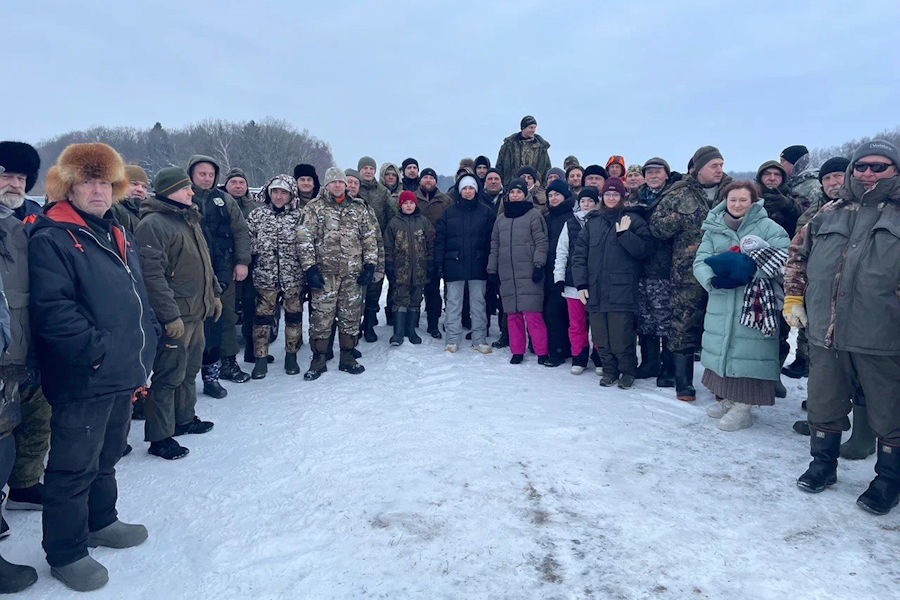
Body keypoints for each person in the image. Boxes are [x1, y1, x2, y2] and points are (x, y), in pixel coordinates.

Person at [30, 143, 158, 591]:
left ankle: (101, 521)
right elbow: (54, 312)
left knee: (107, 457)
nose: (98, 191)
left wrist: (147, 345)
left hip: (122, 372)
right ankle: (65, 552)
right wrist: (99, 351)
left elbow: (135, 298)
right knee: (72, 468)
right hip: (86, 376)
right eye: (87, 181)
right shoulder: (53, 236)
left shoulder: (114, 231)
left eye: (105, 182)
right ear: (69, 187)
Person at [786, 140, 900, 515]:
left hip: (882, 333)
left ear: (894, 170)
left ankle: (887, 482)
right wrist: (794, 298)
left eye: (879, 167)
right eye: (861, 166)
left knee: (890, 412)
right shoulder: (827, 213)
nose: (868, 173)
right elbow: (797, 257)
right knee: (823, 401)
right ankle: (822, 466)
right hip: (826, 331)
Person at [136, 167, 219, 461]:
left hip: (196, 311)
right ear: (169, 190)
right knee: (169, 375)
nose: (192, 191)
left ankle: (185, 419)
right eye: (186, 188)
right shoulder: (154, 224)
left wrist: (214, 295)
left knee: (189, 371)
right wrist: (169, 316)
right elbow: (152, 276)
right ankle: (160, 436)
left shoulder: (187, 218)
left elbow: (203, 262)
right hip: (177, 315)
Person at [693, 181, 790, 430]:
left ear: (753, 201)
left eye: (743, 200)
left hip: (756, 300)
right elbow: (700, 261)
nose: (737, 205)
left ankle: (744, 407)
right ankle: (729, 398)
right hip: (722, 298)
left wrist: (748, 270)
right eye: (732, 200)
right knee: (723, 348)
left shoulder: (769, 228)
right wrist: (712, 280)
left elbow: (784, 260)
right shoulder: (714, 228)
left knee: (749, 352)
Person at [649, 146, 732, 401]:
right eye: (713, 165)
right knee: (683, 324)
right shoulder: (679, 193)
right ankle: (683, 382)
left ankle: (721, 384)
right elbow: (656, 227)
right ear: (698, 169)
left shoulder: (732, 192)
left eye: (721, 164)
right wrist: (679, 219)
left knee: (720, 327)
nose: (719, 169)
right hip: (687, 274)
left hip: (723, 271)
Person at [0, 142, 51, 514]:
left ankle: (24, 486)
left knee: (37, 417)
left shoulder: (24, 224)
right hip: (4, 349)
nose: (14, 184)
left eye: (21, 177)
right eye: (6, 175)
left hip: (29, 342)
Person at [297, 167, 379, 380]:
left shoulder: (359, 208)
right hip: (325, 275)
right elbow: (304, 239)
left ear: (345, 184)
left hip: (352, 275)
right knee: (321, 318)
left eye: (340, 182)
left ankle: (348, 356)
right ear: (326, 184)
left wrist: (370, 265)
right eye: (333, 182)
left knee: (350, 317)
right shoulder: (314, 208)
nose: (337, 185)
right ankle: (319, 359)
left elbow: (369, 238)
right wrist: (310, 269)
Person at [572, 178, 652, 388]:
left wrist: (625, 235)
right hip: (595, 289)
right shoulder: (593, 222)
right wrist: (581, 284)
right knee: (600, 337)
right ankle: (609, 370)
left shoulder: (633, 220)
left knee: (621, 337)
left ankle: (627, 371)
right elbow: (579, 255)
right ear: (602, 197)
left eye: (615, 194)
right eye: (607, 194)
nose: (611, 198)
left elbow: (645, 251)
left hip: (622, 290)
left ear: (622, 197)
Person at [186, 155, 251, 393]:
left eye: (211, 174)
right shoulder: (183, 198)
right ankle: (188, 373)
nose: (206, 178)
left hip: (224, 266)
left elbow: (241, 232)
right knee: (194, 320)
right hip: (190, 270)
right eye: (201, 174)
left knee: (226, 315)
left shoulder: (225, 200)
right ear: (192, 174)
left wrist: (242, 262)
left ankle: (228, 363)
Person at [783, 156, 851, 381]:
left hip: (853, 294)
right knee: (816, 348)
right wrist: (795, 295)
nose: (833, 183)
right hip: (817, 290)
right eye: (827, 178)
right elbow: (797, 252)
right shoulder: (813, 214)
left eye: (838, 176)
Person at [247, 175, 306, 379]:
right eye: (275, 192)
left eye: (283, 192)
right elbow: (248, 240)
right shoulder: (257, 215)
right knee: (262, 319)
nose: (279, 196)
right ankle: (261, 358)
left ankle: (291, 356)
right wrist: (261, 249)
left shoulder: (300, 216)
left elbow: (307, 243)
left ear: (291, 195)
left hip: (293, 278)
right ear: (269, 193)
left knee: (294, 318)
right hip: (265, 277)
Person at [488, 178, 552, 365]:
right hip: (508, 274)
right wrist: (492, 269)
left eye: (519, 192)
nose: (515, 195)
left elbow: (541, 242)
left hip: (530, 272)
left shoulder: (533, 215)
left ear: (525, 194)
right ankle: (517, 351)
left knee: (532, 315)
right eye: (512, 192)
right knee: (512, 315)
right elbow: (495, 245)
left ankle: (542, 352)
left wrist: (539, 264)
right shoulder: (501, 219)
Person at [626, 157, 677, 388]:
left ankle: (668, 367)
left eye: (658, 172)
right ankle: (649, 363)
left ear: (666, 174)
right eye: (649, 173)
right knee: (645, 318)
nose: (653, 176)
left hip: (665, 269)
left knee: (665, 319)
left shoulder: (673, 196)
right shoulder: (638, 197)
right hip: (641, 268)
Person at [435, 175, 495, 353]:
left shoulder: (486, 212)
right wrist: (438, 262)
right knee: (453, 303)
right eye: (464, 188)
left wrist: (491, 263)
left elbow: (493, 240)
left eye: (471, 188)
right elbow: (440, 240)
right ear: (459, 190)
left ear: (476, 190)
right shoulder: (449, 212)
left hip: (478, 264)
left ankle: (479, 339)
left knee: (478, 303)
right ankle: (452, 339)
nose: (468, 192)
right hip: (454, 264)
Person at [554, 186, 601, 374]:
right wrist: (559, 277)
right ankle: (579, 356)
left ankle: (599, 356)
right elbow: (562, 251)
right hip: (573, 282)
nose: (586, 204)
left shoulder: (602, 221)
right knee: (577, 323)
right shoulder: (570, 223)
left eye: (590, 201)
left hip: (597, 282)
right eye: (583, 201)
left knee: (597, 323)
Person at [384, 190, 434, 346]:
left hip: (419, 269)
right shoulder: (394, 223)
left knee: (415, 300)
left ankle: (411, 330)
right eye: (405, 203)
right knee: (400, 299)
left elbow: (431, 243)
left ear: (415, 204)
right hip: (401, 270)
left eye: (411, 203)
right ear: (400, 205)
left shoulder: (423, 222)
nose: (409, 205)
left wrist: (431, 262)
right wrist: (389, 264)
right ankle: (398, 332)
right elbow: (388, 246)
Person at [357, 156, 396, 342]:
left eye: (371, 168)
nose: (367, 171)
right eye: (364, 168)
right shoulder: (352, 188)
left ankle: (369, 323)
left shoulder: (383, 192)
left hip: (376, 244)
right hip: (354, 246)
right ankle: (353, 325)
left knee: (375, 286)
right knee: (355, 288)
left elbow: (393, 217)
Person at [543, 179, 576, 366]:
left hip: (566, 272)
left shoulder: (572, 217)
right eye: (550, 195)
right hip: (549, 271)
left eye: (557, 194)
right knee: (553, 312)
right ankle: (559, 348)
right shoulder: (548, 217)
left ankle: (561, 351)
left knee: (559, 313)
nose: (553, 198)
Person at [416, 168, 452, 338]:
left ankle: (433, 324)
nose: (428, 180)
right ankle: (410, 324)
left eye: (431, 177)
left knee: (433, 290)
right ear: (420, 180)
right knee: (413, 290)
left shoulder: (445, 200)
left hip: (437, 250)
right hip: (414, 251)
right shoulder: (412, 199)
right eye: (425, 177)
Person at [495, 115, 552, 185]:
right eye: (531, 128)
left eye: (534, 128)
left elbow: (547, 168)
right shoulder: (508, 145)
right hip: (511, 187)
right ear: (523, 128)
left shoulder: (541, 147)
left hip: (535, 189)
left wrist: (542, 185)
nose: (533, 130)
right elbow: (499, 166)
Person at [781, 144, 823, 211]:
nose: (780, 165)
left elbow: (818, 213)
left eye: (783, 161)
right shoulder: (789, 183)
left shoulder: (813, 185)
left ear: (795, 162)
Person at [108, 164, 147, 234]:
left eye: (144, 186)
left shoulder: (148, 212)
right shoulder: (111, 209)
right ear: (120, 185)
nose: (140, 189)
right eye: (134, 184)